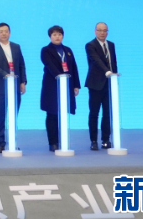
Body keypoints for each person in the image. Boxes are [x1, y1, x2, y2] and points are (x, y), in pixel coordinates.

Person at [0, 22, 27, 153]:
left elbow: (21, 65)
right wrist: (6, 75)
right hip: (0, 88)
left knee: (13, 116)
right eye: (1, 31)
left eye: (6, 31)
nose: (4, 33)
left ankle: (13, 142)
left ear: (9, 33)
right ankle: (0, 143)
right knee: (0, 117)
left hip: (15, 86)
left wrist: (22, 82)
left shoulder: (16, 47)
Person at [39, 26, 80, 152]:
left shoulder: (67, 50)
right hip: (52, 86)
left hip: (67, 85)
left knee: (63, 113)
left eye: (59, 34)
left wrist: (76, 85)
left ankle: (63, 140)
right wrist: (60, 76)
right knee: (52, 114)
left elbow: (74, 67)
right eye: (54, 34)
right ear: (50, 37)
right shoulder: (45, 50)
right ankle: (53, 142)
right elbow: (49, 64)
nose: (57, 37)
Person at [85, 22, 118, 151]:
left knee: (107, 113)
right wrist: (107, 71)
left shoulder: (111, 45)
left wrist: (114, 77)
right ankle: (93, 141)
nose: (102, 33)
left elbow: (113, 63)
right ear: (95, 31)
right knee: (94, 113)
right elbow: (96, 60)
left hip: (109, 84)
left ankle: (106, 140)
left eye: (105, 30)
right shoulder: (90, 45)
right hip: (95, 84)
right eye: (99, 30)